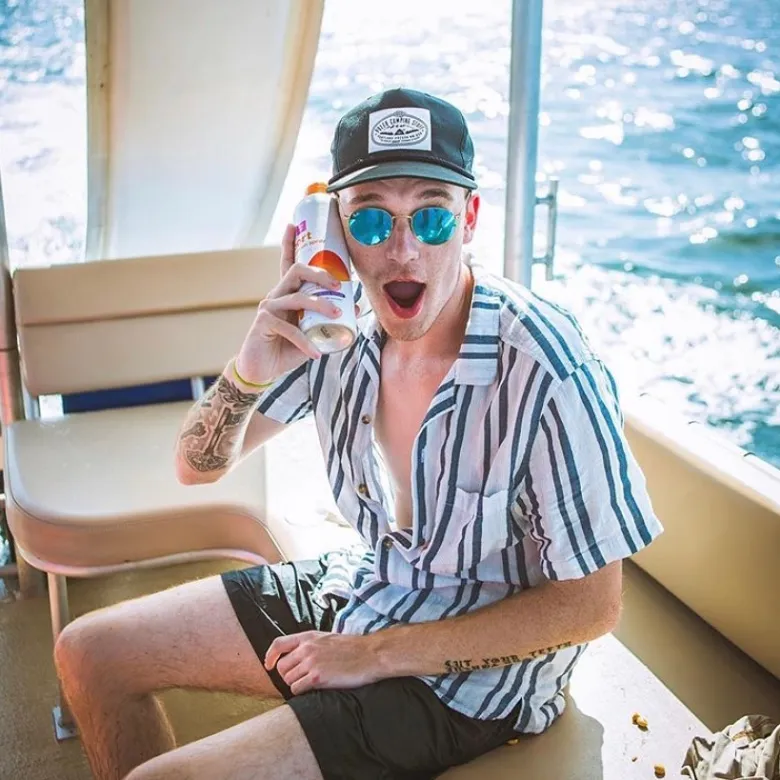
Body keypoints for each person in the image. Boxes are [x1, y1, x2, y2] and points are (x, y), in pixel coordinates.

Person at [54, 88, 663, 780]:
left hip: (478, 683)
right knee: (88, 651)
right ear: (335, 228)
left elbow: (593, 604)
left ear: (469, 219)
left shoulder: (546, 367)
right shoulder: (333, 333)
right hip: (376, 584)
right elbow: (196, 466)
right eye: (372, 221)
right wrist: (251, 369)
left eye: (431, 217)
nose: (403, 251)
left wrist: (371, 656)